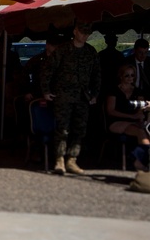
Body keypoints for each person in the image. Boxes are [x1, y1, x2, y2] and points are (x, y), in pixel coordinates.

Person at [40, 21, 100, 175]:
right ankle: (59, 160)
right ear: (75, 31)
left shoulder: (91, 52)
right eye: (82, 32)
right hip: (64, 96)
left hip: (82, 97)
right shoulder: (62, 50)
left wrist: (94, 94)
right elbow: (48, 70)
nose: (84, 35)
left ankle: (72, 160)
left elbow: (97, 76)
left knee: (80, 129)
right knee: (62, 129)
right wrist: (46, 91)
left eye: (87, 33)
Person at [105, 64, 150, 146]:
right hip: (117, 121)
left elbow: (141, 109)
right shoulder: (113, 90)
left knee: (145, 132)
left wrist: (140, 116)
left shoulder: (138, 91)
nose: (130, 78)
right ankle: (140, 158)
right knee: (141, 133)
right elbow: (111, 111)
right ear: (121, 76)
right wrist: (132, 116)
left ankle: (138, 158)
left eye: (132, 75)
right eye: (127, 75)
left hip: (134, 122)